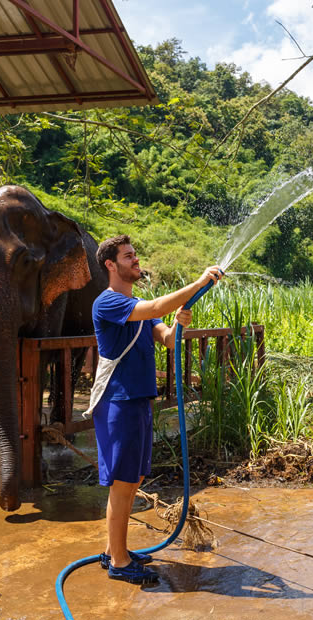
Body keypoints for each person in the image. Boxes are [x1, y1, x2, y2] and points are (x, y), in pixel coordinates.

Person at [91, 234, 223, 584]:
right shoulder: (108, 303)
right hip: (118, 401)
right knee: (122, 483)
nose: (135, 260)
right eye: (128, 256)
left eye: (135, 255)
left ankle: (112, 550)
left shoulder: (138, 307)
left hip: (138, 399)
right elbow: (153, 310)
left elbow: (164, 336)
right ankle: (118, 562)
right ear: (110, 264)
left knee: (133, 479)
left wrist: (179, 325)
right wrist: (197, 283)